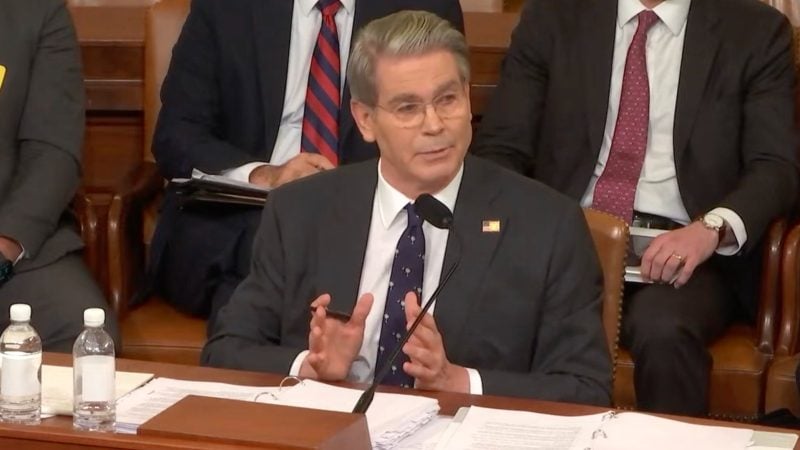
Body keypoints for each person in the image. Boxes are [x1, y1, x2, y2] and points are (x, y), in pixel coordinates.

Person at [202, 10, 611, 405]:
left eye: (447, 99)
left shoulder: (548, 226)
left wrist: (458, 381)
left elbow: (585, 387)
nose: (434, 125)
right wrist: (311, 366)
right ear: (365, 119)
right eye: (408, 108)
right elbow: (225, 350)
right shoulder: (300, 211)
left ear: (468, 98)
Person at [472, 0, 799, 415]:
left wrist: (711, 228)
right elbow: (500, 149)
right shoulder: (553, 18)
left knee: (664, 329)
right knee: (492, 308)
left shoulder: (753, 30)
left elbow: (775, 167)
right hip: (569, 238)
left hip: (688, 251)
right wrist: (534, 234)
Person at [147, 0, 464, 328]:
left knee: (285, 271)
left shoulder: (425, 6)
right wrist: (265, 176)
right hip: (245, 214)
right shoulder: (228, 7)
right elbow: (176, 134)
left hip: (368, 217)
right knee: (268, 247)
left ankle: (252, 349)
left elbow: (438, 133)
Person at [0, 0, 120, 352]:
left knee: (86, 340)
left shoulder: (36, 12)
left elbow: (53, 150)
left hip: (12, 245)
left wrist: (6, 244)